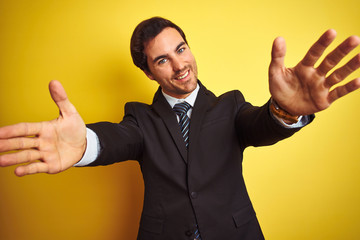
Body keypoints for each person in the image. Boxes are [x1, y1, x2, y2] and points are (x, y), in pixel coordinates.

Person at [0, 17, 359, 240]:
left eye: (181, 49)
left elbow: (260, 125)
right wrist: (84, 145)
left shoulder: (230, 106)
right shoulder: (141, 119)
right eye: (162, 59)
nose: (179, 65)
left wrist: (284, 109)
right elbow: (116, 139)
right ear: (148, 72)